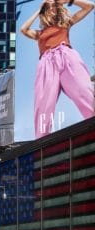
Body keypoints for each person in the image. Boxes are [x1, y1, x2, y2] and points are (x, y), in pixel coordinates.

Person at [20, 0, 94, 139]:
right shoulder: (39, 34)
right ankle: (42, 142)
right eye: (48, 8)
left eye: (54, 6)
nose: (52, 9)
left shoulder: (66, 24)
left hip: (67, 57)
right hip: (46, 64)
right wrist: (39, 10)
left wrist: (68, 1)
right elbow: (23, 29)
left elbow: (89, 6)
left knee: (84, 90)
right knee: (43, 105)